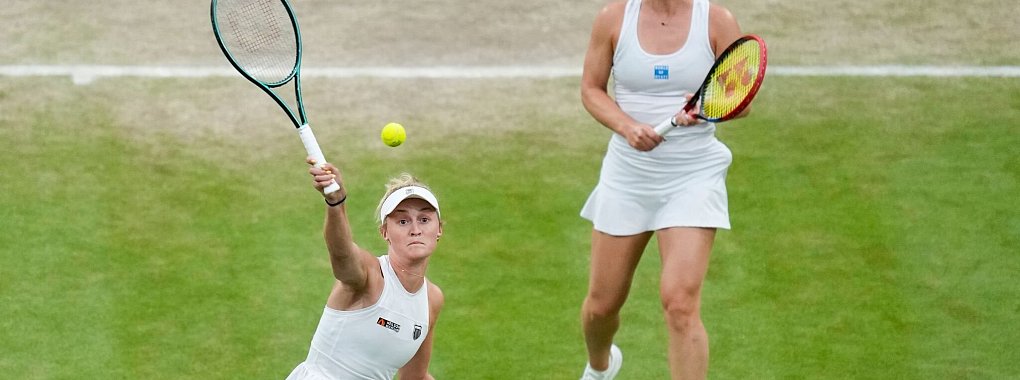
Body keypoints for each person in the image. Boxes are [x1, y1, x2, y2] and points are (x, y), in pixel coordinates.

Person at [577, 0, 749, 379]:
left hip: (693, 176)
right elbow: (591, 89)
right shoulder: (613, 19)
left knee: (680, 303)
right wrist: (627, 126)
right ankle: (600, 367)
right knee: (601, 307)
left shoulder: (717, 21)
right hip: (627, 177)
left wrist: (704, 110)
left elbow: (740, 98)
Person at [286, 160, 444, 380]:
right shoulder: (370, 276)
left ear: (439, 230)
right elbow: (342, 253)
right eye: (403, 221)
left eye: (424, 219)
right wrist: (336, 205)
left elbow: (414, 377)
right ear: (385, 232)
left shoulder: (432, 299)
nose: (415, 229)